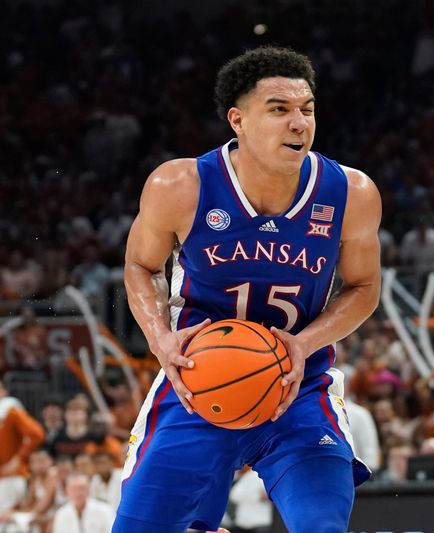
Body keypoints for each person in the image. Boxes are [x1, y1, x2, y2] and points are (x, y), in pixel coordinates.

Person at [116, 46, 381, 533]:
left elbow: (364, 288)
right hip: (198, 382)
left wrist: (303, 343)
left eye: (307, 110)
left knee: (322, 525)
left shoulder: (352, 193)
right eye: (279, 110)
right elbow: (140, 264)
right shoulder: (180, 184)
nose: (299, 123)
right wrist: (160, 338)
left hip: (298, 387)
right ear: (237, 120)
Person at [0, 379, 45, 515]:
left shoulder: (10, 409)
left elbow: (36, 434)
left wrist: (19, 458)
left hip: (11, 477)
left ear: (3, 391)